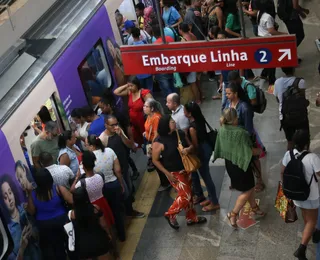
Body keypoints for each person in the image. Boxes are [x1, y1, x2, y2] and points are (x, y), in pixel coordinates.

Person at [152, 115, 207, 229]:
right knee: (185, 196)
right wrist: (167, 174)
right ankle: (170, 214)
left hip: (186, 168)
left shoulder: (179, 133)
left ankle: (191, 217)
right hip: (174, 173)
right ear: (166, 125)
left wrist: (188, 149)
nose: (174, 122)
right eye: (171, 121)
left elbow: (191, 145)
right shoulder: (159, 142)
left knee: (189, 194)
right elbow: (155, 160)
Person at [214, 108, 265, 228]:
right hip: (241, 165)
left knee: (249, 187)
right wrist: (259, 150)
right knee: (247, 190)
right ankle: (233, 213)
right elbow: (248, 151)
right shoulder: (240, 133)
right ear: (234, 119)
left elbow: (220, 146)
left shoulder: (222, 130)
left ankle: (254, 207)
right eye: (237, 117)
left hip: (230, 164)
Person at [281, 130, 320, 259]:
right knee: (312, 220)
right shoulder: (312, 158)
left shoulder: (288, 154)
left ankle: (313, 232)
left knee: (305, 213)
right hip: (310, 194)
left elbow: (282, 172)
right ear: (306, 143)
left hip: (295, 194)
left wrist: (286, 189)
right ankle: (301, 249)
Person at [100, 115, 145, 218]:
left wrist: (122, 136)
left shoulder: (119, 131)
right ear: (106, 125)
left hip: (124, 165)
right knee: (125, 190)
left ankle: (128, 210)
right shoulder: (103, 139)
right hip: (115, 170)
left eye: (116, 124)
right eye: (112, 125)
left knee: (128, 188)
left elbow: (130, 145)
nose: (115, 126)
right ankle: (129, 211)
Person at [225, 82, 265, 192]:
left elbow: (249, 128)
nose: (227, 96)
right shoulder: (227, 104)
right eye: (226, 93)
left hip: (244, 138)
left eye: (229, 94)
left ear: (236, 93)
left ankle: (259, 180)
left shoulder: (244, 108)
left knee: (254, 160)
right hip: (233, 139)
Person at [86, 135, 126, 242]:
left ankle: (111, 237)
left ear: (92, 146)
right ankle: (122, 235)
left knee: (106, 214)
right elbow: (117, 170)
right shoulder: (109, 150)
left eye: (87, 145)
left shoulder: (90, 157)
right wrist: (121, 183)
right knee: (117, 211)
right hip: (113, 184)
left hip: (101, 189)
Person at [26, 168, 73, 260]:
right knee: (69, 243)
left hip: (44, 225)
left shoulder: (33, 194)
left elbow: (31, 211)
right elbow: (71, 200)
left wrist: (28, 194)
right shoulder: (58, 188)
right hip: (62, 221)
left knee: (55, 248)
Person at [184, 102, 220, 211]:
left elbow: (195, 145)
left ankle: (214, 202)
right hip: (207, 146)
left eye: (185, 110)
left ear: (190, 113)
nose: (183, 112)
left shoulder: (191, 128)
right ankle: (210, 198)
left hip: (202, 151)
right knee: (206, 174)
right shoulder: (200, 119)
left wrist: (187, 142)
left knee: (206, 177)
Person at [98, 95, 140, 180]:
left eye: (103, 108)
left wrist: (131, 141)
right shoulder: (105, 117)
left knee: (126, 156)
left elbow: (128, 127)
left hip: (124, 138)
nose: (101, 110)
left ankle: (134, 171)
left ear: (108, 105)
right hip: (116, 141)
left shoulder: (119, 114)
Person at [0, 175, 41, 260]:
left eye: (10, 192)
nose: (9, 198)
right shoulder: (7, 229)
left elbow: (40, 235)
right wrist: (22, 248)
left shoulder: (25, 209)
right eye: (5, 197)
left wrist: (33, 233)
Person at [228, 70, 266, 155]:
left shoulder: (248, 86)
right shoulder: (237, 85)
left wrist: (243, 103)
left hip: (247, 112)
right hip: (242, 111)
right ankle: (260, 148)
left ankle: (260, 149)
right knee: (252, 130)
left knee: (251, 131)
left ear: (237, 79)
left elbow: (254, 102)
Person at [70, 187, 113, 260]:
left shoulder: (72, 214)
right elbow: (104, 225)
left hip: (83, 245)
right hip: (99, 240)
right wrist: (108, 234)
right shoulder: (95, 209)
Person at [273, 67, 309, 150]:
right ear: (294, 69)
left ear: (282, 70)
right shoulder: (300, 81)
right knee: (305, 139)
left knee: (290, 141)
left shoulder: (277, 82)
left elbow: (278, 99)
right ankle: (305, 156)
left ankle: (290, 158)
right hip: (301, 115)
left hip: (285, 116)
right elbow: (303, 99)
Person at [114, 76, 153, 146]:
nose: (130, 88)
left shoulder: (144, 93)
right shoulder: (130, 93)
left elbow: (153, 105)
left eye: (132, 86)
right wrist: (127, 85)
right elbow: (116, 92)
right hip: (134, 121)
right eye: (129, 86)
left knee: (147, 137)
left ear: (137, 85)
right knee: (138, 138)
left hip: (143, 120)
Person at [257, 0, 286, 88]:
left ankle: (264, 73)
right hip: (269, 40)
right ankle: (272, 83)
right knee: (272, 61)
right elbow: (271, 31)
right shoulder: (268, 17)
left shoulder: (260, 13)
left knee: (268, 59)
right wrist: (283, 34)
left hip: (262, 38)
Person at [144, 98, 171, 190]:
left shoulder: (156, 118)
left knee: (158, 163)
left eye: (146, 106)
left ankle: (166, 182)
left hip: (156, 144)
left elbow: (156, 134)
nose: (144, 108)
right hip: (151, 142)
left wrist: (152, 146)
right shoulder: (149, 116)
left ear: (152, 108)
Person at [178, 23, 201, 104]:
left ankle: (197, 100)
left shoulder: (183, 40)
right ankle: (200, 96)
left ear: (181, 30)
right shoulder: (192, 35)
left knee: (192, 83)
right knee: (197, 80)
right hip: (196, 60)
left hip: (190, 63)